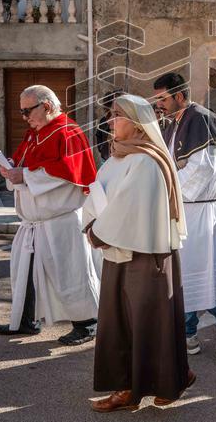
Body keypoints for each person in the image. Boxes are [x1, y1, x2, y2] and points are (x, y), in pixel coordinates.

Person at [83, 94, 193, 412]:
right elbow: (102, 193)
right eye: (110, 114)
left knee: (145, 323)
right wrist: (92, 214)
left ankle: (147, 386)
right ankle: (164, 379)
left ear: (137, 123)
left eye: (117, 115)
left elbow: (127, 209)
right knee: (126, 322)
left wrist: (97, 231)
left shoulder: (146, 160)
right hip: (121, 251)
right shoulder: (119, 156)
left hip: (145, 256)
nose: (109, 121)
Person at [152, 72, 216, 362]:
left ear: (180, 95)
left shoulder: (200, 119)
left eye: (163, 99)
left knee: (199, 274)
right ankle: (189, 332)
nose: (159, 105)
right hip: (184, 207)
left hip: (200, 208)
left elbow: (202, 170)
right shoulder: (175, 122)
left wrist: (164, 188)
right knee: (185, 274)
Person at [0, 85, 100, 345]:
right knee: (26, 272)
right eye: (21, 111)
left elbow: (68, 174)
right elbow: (24, 165)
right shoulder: (35, 134)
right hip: (34, 223)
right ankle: (27, 320)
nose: (24, 117)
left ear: (47, 106)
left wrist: (25, 175)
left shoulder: (68, 132)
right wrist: (11, 171)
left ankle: (88, 323)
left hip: (60, 222)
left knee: (70, 275)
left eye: (27, 110)